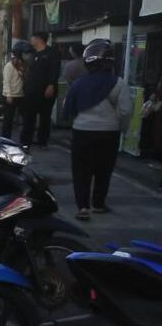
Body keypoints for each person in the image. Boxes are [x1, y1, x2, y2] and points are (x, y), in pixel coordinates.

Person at [62, 39, 132, 221]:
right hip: (109, 133)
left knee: (81, 171)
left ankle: (83, 207)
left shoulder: (78, 84)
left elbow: (66, 109)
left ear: (88, 62)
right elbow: (126, 111)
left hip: (81, 132)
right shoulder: (119, 83)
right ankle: (98, 204)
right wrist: (121, 129)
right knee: (104, 170)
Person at [21, 31, 61, 147]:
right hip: (31, 90)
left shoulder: (52, 52)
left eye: (32, 38)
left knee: (45, 116)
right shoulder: (33, 54)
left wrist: (51, 85)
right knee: (29, 116)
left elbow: (55, 70)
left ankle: (42, 141)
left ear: (39, 39)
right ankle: (26, 141)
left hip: (45, 90)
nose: (31, 40)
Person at [2, 42, 30, 138]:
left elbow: (26, 79)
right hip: (10, 96)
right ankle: (5, 139)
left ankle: (24, 140)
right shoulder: (9, 66)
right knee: (8, 120)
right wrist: (9, 95)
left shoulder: (23, 65)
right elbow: (6, 81)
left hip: (21, 95)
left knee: (26, 119)